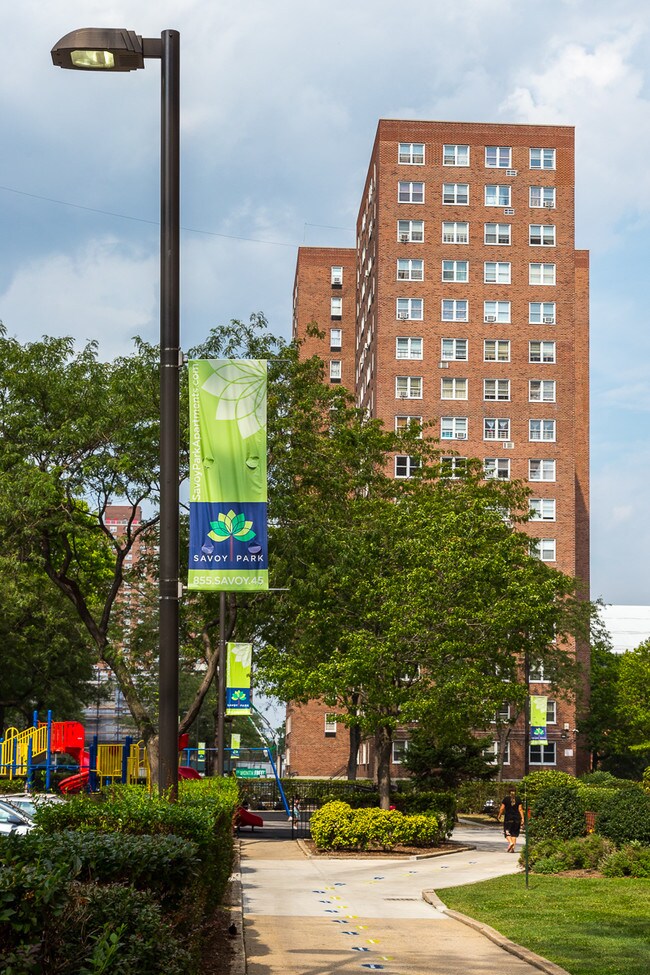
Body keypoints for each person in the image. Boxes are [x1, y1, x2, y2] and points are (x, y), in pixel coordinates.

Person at [497, 788, 525, 853]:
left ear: (509, 792)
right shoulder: (518, 799)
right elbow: (520, 809)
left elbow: (502, 808)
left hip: (508, 818)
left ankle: (510, 842)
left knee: (507, 832)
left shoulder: (506, 799)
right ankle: (512, 849)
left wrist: (499, 815)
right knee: (514, 834)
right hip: (517, 818)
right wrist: (522, 818)